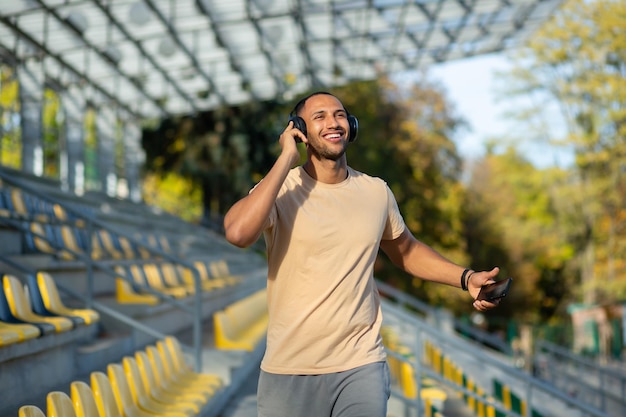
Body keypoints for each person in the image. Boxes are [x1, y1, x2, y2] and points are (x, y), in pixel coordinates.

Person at [223, 91, 502, 417]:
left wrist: (465, 277)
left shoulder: (375, 191)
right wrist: (286, 158)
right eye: (320, 117)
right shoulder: (282, 189)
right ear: (299, 129)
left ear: (351, 125)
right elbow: (238, 233)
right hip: (289, 368)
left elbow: (407, 251)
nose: (333, 122)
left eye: (339, 115)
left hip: (361, 363)